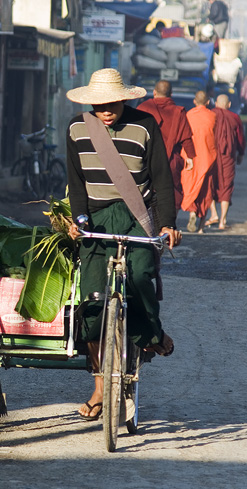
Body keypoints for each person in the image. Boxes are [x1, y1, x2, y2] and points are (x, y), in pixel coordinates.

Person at [64, 68, 181, 421]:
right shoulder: (76, 128)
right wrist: (78, 219)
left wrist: (167, 223)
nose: (106, 110)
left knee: (142, 273)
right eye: (99, 104)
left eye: (112, 102)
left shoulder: (145, 125)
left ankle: (151, 332)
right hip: (96, 218)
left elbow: (161, 177)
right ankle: (100, 387)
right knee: (93, 301)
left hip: (136, 216)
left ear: (124, 98)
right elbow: (76, 180)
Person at [137, 80, 196, 209]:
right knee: (172, 191)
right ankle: (168, 223)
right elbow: (186, 138)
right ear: (171, 94)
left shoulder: (143, 108)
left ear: (154, 92)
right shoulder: (178, 112)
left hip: (145, 159)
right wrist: (190, 157)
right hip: (171, 160)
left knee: (143, 188)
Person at [180, 91, 217, 232]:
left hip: (191, 158)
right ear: (208, 102)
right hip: (208, 158)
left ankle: (192, 212)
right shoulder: (213, 116)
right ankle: (201, 228)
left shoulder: (188, 115)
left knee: (190, 186)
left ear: (195, 102)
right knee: (206, 191)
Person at [207, 94, 245, 230]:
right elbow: (240, 139)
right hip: (228, 156)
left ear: (216, 103)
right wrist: (241, 153)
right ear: (228, 105)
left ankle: (213, 214)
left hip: (210, 155)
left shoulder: (210, 114)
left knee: (210, 184)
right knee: (226, 187)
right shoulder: (234, 118)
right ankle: (222, 221)